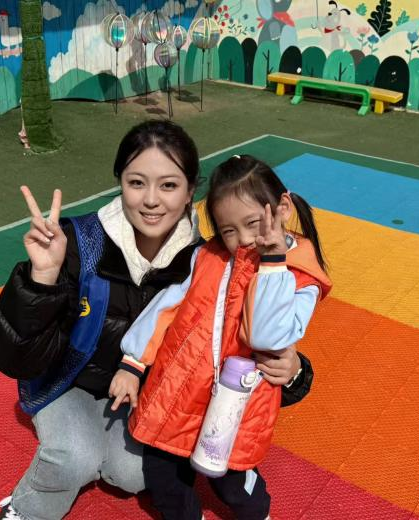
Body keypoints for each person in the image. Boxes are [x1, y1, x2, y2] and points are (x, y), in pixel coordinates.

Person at [0, 121, 315, 520]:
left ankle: (94, 445)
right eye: (137, 183)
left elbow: (235, 342)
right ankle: (27, 507)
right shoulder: (76, 243)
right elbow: (12, 355)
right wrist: (42, 278)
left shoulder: (210, 259)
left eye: (169, 185)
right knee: (74, 456)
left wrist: (294, 372)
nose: (152, 200)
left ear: (190, 193)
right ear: (120, 182)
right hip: (69, 384)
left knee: (137, 473)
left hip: (144, 394)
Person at [109, 154, 332, 520]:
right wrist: (133, 362)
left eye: (252, 224)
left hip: (238, 402)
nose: (243, 240)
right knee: (162, 473)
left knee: (231, 481)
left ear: (283, 208)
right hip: (180, 390)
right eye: (228, 231)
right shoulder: (206, 257)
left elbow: (266, 336)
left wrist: (272, 262)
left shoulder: (300, 277)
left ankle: (258, 514)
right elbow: (167, 307)